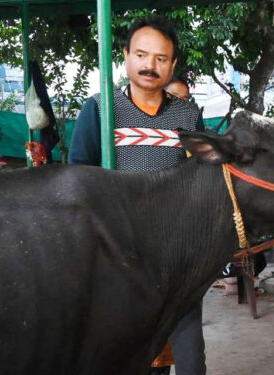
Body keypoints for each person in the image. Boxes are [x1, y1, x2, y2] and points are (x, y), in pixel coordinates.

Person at [68, 15, 206, 375]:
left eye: (161, 59)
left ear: (173, 65)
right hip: (120, 260)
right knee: (132, 360)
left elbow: (203, 180)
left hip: (178, 258)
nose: (150, 65)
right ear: (126, 56)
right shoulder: (100, 110)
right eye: (142, 55)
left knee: (192, 364)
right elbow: (78, 181)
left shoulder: (188, 115)